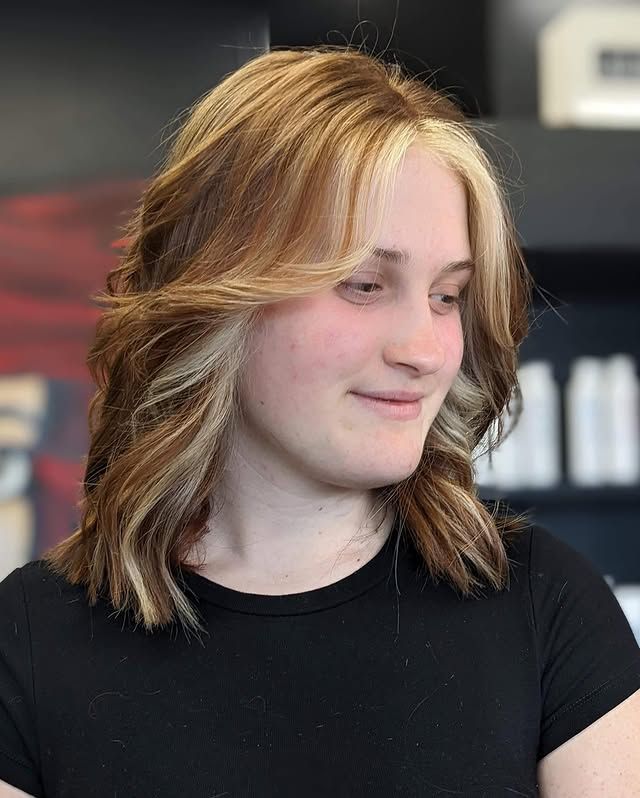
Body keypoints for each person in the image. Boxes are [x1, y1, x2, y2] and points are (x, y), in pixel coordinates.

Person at [1, 45, 639, 798]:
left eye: (446, 296)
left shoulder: (543, 605)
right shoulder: (30, 639)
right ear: (218, 295)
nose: (427, 352)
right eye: (365, 284)